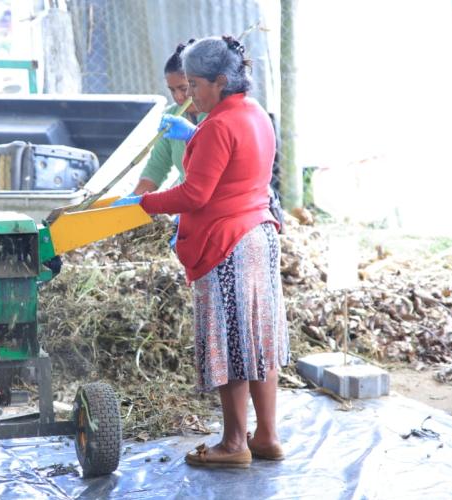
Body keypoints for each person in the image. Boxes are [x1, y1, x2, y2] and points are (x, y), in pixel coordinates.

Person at [113, 35, 289, 468]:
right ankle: (267, 436)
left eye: (193, 84)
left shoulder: (218, 125)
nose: (189, 95)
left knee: (232, 343)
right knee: (258, 339)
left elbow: (194, 194)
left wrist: (143, 204)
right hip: (259, 236)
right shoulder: (256, 114)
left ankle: (234, 443)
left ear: (220, 81)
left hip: (227, 244)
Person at [132, 40, 205, 196]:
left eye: (183, 88)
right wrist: (133, 200)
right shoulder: (172, 117)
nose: (178, 97)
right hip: (187, 200)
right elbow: (156, 168)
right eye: (172, 90)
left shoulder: (219, 114)